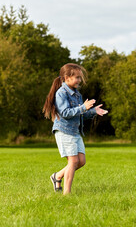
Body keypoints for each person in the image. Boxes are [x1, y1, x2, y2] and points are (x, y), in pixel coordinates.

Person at [43, 63, 108, 195]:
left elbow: (80, 114)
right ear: (67, 77)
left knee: (81, 161)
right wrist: (84, 107)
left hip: (75, 132)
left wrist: (94, 111)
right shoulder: (61, 93)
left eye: (80, 77)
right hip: (64, 131)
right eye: (77, 77)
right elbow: (65, 113)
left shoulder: (77, 94)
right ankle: (67, 193)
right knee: (73, 161)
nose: (79, 80)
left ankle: (57, 176)